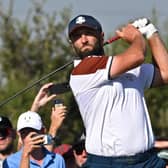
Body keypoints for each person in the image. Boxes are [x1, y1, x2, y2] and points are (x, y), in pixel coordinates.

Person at [68, 15, 168, 167]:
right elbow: (138, 55)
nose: (83, 40)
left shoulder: (126, 67)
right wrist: (135, 37)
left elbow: (165, 73)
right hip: (107, 164)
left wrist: (151, 33)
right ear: (72, 44)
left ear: (101, 37)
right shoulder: (82, 70)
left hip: (147, 161)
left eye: (88, 33)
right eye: (77, 36)